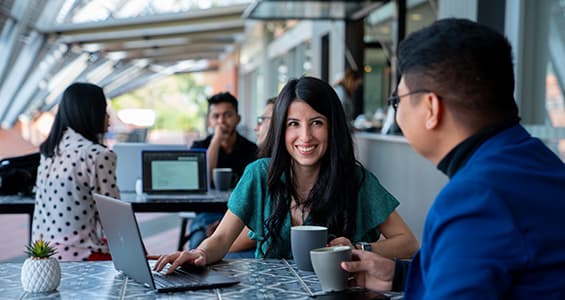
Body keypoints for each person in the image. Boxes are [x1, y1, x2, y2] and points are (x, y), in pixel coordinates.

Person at [341, 18, 565, 298]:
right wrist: (399, 275)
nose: (397, 114)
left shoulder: (477, 200)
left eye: (397, 101)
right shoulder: (538, 162)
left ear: (430, 107)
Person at [155, 76, 418, 273]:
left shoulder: (356, 180)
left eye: (317, 122)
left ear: (332, 127)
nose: (305, 136)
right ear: (281, 129)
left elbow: (408, 243)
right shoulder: (259, 175)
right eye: (294, 124)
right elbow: (222, 239)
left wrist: (358, 249)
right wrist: (197, 252)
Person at [32, 82, 120, 261]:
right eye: (103, 109)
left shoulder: (49, 152)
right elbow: (115, 219)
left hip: (41, 256)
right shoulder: (97, 155)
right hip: (80, 256)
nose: (108, 116)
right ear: (90, 113)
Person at [187, 92, 258, 255]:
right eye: (216, 116)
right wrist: (216, 141)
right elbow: (203, 180)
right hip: (206, 216)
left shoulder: (252, 149)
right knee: (197, 250)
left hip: (242, 220)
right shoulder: (199, 146)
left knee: (243, 257)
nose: (221, 121)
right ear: (209, 120)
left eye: (227, 115)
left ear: (237, 118)